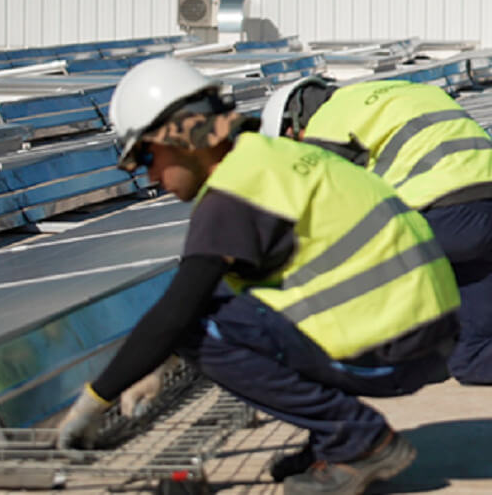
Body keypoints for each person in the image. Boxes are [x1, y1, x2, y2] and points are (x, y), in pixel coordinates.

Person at [57, 58, 461, 495]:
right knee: (224, 314)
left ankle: (356, 440)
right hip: (426, 335)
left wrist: (95, 400)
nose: (152, 176)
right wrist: (159, 363)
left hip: (393, 347)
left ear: (183, 137)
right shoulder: (271, 158)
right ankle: (330, 441)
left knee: (200, 332)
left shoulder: (232, 193)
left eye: (148, 156)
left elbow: (175, 313)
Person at [260, 77, 492, 400]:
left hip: (441, 214)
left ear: (294, 126)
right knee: (472, 355)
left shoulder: (329, 120)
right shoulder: (413, 92)